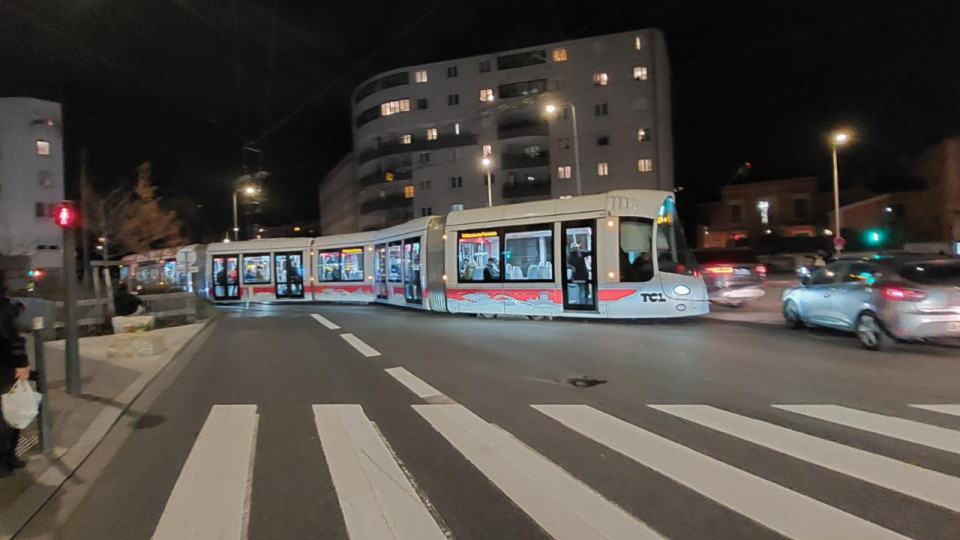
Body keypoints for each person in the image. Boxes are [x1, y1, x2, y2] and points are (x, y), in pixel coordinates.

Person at [0, 271, 30, 478]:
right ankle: (6, 459)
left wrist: (15, 309)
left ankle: (8, 458)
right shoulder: (2, 307)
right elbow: (11, 338)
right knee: (10, 412)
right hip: (4, 366)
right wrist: (22, 363)